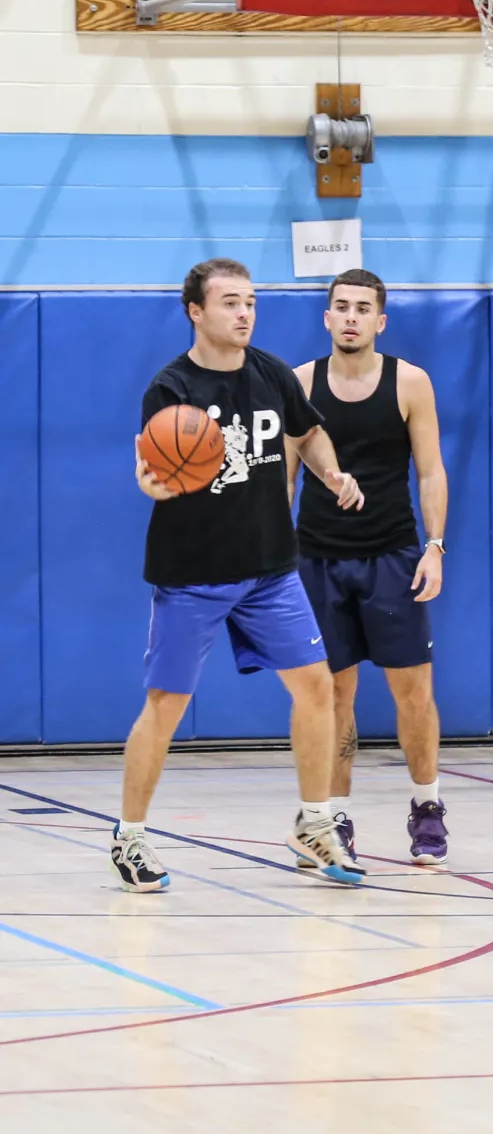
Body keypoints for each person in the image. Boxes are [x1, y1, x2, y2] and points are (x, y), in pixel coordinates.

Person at [113, 258, 367, 893]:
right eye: (229, 302)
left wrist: (331, 472)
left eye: (250, 301)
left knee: (317, 689)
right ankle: (130, 836)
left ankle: (313, 824)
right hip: (192, 574)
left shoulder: (273, 374)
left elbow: (308, 434)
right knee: (166, 705)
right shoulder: (169, 387)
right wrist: (153, 481)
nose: (245, 312)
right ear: (196, 311)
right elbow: (151, 463)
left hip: (268, 571)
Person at [287, 269, 450, 865]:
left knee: (413, 694)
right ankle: (332, 820)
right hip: (318, 559)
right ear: (326, 317)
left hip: (393, 557)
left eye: (362, 309)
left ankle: (427, 806)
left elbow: (430, 471)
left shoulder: (410, 382)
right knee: (332, 695)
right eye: (341, 307)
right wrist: (277, 559)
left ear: (380, 321)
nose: (351, 317)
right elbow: (284, 480)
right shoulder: (299, 384)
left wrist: (435, 546)